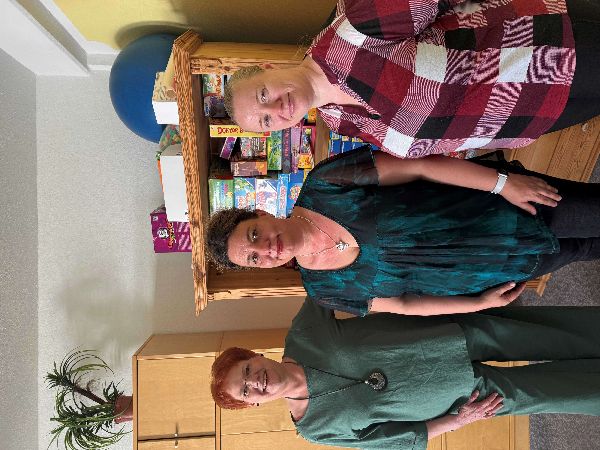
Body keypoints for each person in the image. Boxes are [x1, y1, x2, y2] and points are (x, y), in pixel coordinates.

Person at [206, 147, 600, 316]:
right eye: (254, 259)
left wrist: (503, 183)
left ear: (260, 212)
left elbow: (422, 167)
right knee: (585, 250)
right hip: (498, 268)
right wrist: (478, 303)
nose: (266, 249)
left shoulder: (325, 184)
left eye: (253, 235)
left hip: (509, 210)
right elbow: (408, 304)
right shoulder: (323, 290)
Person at [223, 0, 600, 157]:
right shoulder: (337, 119)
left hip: (546, 56)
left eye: (262, 95)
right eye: (266, 121)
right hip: (528, 118)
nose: (276, 108)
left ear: (270, 69)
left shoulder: (352, 33)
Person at [211, 298, 600, 449]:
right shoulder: (315, 429)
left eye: (246, 371)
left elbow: (330, 280)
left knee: (546, 332)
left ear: (255, 355)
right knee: (552, 393)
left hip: (452, 336)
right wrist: (458, 421)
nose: (255, 382)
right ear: (254, 404)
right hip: (460, 399)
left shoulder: (303, 333)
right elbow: (395, 440)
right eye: (246, 392)